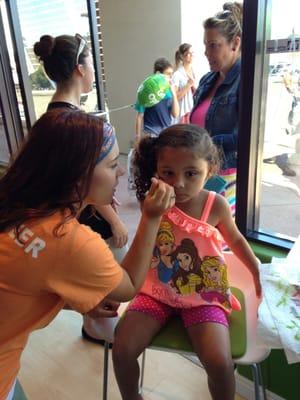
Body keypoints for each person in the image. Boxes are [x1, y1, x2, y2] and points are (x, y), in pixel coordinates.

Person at [0, 109, 176, 400]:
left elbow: (19, 283)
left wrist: (72, 300)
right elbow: (128, 285)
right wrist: (151, 217)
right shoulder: (68, 241)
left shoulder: (15, 202)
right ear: (77, 174)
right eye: (110, 165)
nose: (119, 171)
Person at [112, 124, 261, 400]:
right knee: (122, 350)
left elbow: (237, 240)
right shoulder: (153, 201)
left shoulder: (214, 205)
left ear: (210, 170)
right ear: (156, 169)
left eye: (191, 173)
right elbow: (140, 248)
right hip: (157, 292)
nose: (178, 184)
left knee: (219, 363)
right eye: (168, 173)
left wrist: (256, 269)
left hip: (203, 296)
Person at [33, 33, 128, 344]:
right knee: (102, 281)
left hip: (68, 218)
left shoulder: (48, 121)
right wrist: (114, 219)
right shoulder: (81, 128)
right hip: (85, 217)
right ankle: (100, 330)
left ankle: (93, 325)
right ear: (79, 68)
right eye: (91, 64)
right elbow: (83, 183)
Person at [190, 2, 243, 216]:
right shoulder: (207, 80)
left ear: (235, 44)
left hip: (226, 175)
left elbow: (243, 138)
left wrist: (202, 146)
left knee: (218, 236)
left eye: (213, 45)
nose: (206, 52)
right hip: (201, 171)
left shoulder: (246, 82)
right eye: (205, 45)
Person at [135, 57, 179, 142]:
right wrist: (137, 137)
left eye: (172, 74)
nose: (171, 77)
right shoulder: (146, 89)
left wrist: (174, 93)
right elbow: (139, 116)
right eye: (168, 74)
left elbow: (175, 114)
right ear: (158, 73)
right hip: (151, 133)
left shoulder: (169, 90)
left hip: (166, 133)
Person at [172, 43, 196, 123]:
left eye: (192, 53)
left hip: (194, 111)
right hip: (182, 113)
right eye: (188, 53)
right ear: (182, 56)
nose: (191, 55)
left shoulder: (195, 71)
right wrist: (188, 85)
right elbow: (175, 97)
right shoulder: (177, 75)